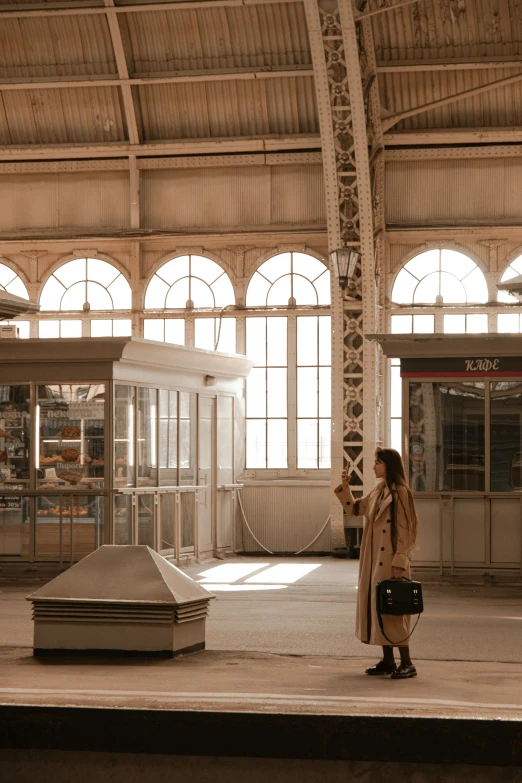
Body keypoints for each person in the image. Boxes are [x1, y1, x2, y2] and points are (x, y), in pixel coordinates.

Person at [334, 448, 419, 679]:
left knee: (394, 612)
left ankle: (408, 663)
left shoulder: (401, 493)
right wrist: (345, 487)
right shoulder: (378, 492)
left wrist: (400, 561)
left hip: (391, 561)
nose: (374, 467)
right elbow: (354, 509)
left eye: (377, 463)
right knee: (382, 609)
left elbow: (406, 530)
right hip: (374, 562)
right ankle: (389, 661)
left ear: (388, 466)